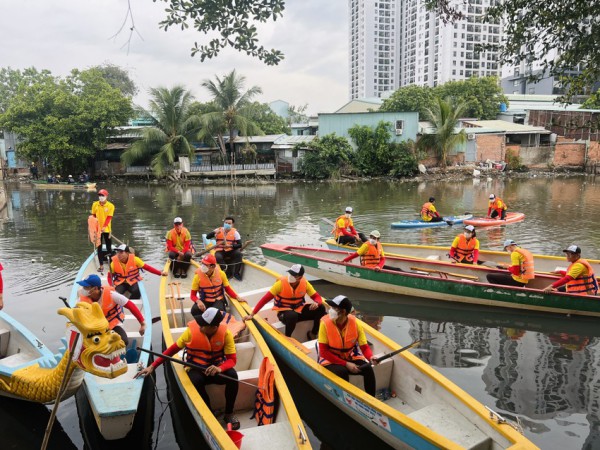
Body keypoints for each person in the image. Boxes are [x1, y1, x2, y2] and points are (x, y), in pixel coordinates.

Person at [135, 307, 240, 430]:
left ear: (214, 327)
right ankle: (209, 413)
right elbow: (172, 350)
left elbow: (232, 360)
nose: (200, 326)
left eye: (204, 324)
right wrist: (153, 366)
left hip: (215, 368)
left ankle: (229, 413)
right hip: (197, 368)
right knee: (195, 381)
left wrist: (220, 368)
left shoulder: (225, 334)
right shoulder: (190, 332)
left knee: (233, 376)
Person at [244, 264, 326, 339]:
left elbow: (317, 296)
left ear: (300, 277)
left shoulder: (305, 283)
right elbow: (265, 299)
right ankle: (288, 338)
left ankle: (313, 333)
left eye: (294, 275)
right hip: (284, 314)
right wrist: (252, 314)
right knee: (292, 315)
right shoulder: (280, 284)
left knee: (321, 307)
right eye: (290, 273)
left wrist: (316, 303)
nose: (291, 276)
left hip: (298, 311)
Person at [317, 295, 377, 397]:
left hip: (349, 356)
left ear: (343, 312)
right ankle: (346, 398)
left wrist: (371, 357)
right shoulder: (325, 324)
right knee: (342, 371)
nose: (330, 310)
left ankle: (372, 399)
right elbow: (323, 352)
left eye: (334, 308)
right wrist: (346, 364)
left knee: (368, 369)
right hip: (330, 359)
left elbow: (364, 347)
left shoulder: (356, 324)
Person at [76, 274, 145, 345]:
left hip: (112, 323)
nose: (83, 289)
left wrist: (142, 324)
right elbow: (75, 313)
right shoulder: (82, 299)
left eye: (86, 287)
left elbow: (131, 305)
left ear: (95, 288)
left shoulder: (112, 295)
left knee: (123, 341)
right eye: (83, 287)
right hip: (94, 326)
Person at [205, 216, 243, 281]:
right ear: (224, 223)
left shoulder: (235, 233)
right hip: (220, 250)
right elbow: (207, 237)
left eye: (229, 223)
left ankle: (236, 273)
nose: (227, 224)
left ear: (232, 224)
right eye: (226, 223)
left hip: (231, 250)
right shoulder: (218, 230)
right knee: (218, 257)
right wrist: (214, 233)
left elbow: (240, 245)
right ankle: (225, 269)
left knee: (239, 254)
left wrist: (230, 246)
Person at [91, 189, 115, 271]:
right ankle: (101, 265)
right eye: (100, 195)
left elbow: (109, 217)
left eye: (102, 196)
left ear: (106, 196)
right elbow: (93, 215)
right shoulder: (95, 204)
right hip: (97, 230)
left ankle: (111, 264)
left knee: (109, 247)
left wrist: (104, 226)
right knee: (99, 247)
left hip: (107, 229)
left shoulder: (111, 206)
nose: (101, 197)